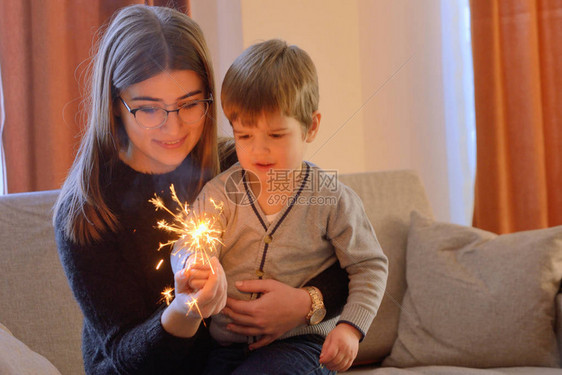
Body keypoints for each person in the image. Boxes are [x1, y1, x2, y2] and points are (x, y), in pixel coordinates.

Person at [53, 5, 349, 375]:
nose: (173, 129)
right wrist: (184, 309)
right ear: (115, 105)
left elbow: (351, 261)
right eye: (148, 109)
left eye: (190, 104)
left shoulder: (240, 164)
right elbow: (128, 358)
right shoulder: (86, 213)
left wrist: (306, 303)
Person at [171, 39, 389, 374]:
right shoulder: (221, 193)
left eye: (275, 136)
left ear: (311, 127)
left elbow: (368, 267)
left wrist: (350, 328)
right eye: (244, 136)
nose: (259, 151)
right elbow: (189, 241)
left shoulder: (331, 198)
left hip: (300, 346)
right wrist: (195, 264)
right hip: (225, 347)